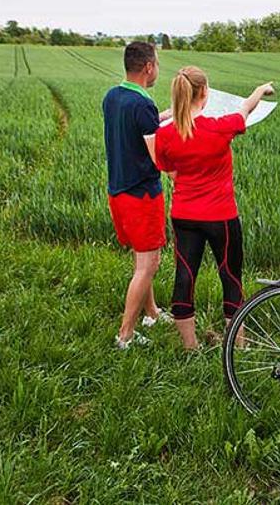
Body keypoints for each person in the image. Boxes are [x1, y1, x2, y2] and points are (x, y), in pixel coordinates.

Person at [154, 66, 274, 350]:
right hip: (221, 217)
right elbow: (245, 108)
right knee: (230, 276)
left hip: (184, 216)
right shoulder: (220, 127)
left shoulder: (166, 135)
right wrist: (261, 89)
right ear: (205, 93)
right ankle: (238, 346)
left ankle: (190, 348)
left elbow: (170, 171)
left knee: (185, 277)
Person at [102, 42, 173, 349]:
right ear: (148, 67)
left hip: (118, 192)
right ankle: (125, 334)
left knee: (141, 259)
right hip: (141, 196)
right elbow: (160, 157)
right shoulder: (143, 106)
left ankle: (152, 313)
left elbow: (142, 126)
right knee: (149, 265)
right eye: (156, 63)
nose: (157, 68)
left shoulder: (113, 97)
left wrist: (174, 114)